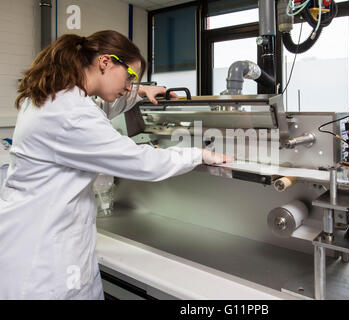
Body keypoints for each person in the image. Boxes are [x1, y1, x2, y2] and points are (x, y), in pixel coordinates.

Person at [0, 30, 233, 300]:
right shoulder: (72, 114)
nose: (129, 86)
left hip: (38, 237)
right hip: (45, 261)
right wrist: (198, 155)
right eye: (130, 77)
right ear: (106, 62)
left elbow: (100, 108)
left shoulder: (53, 96)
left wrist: (141, 92)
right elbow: (141, 161)